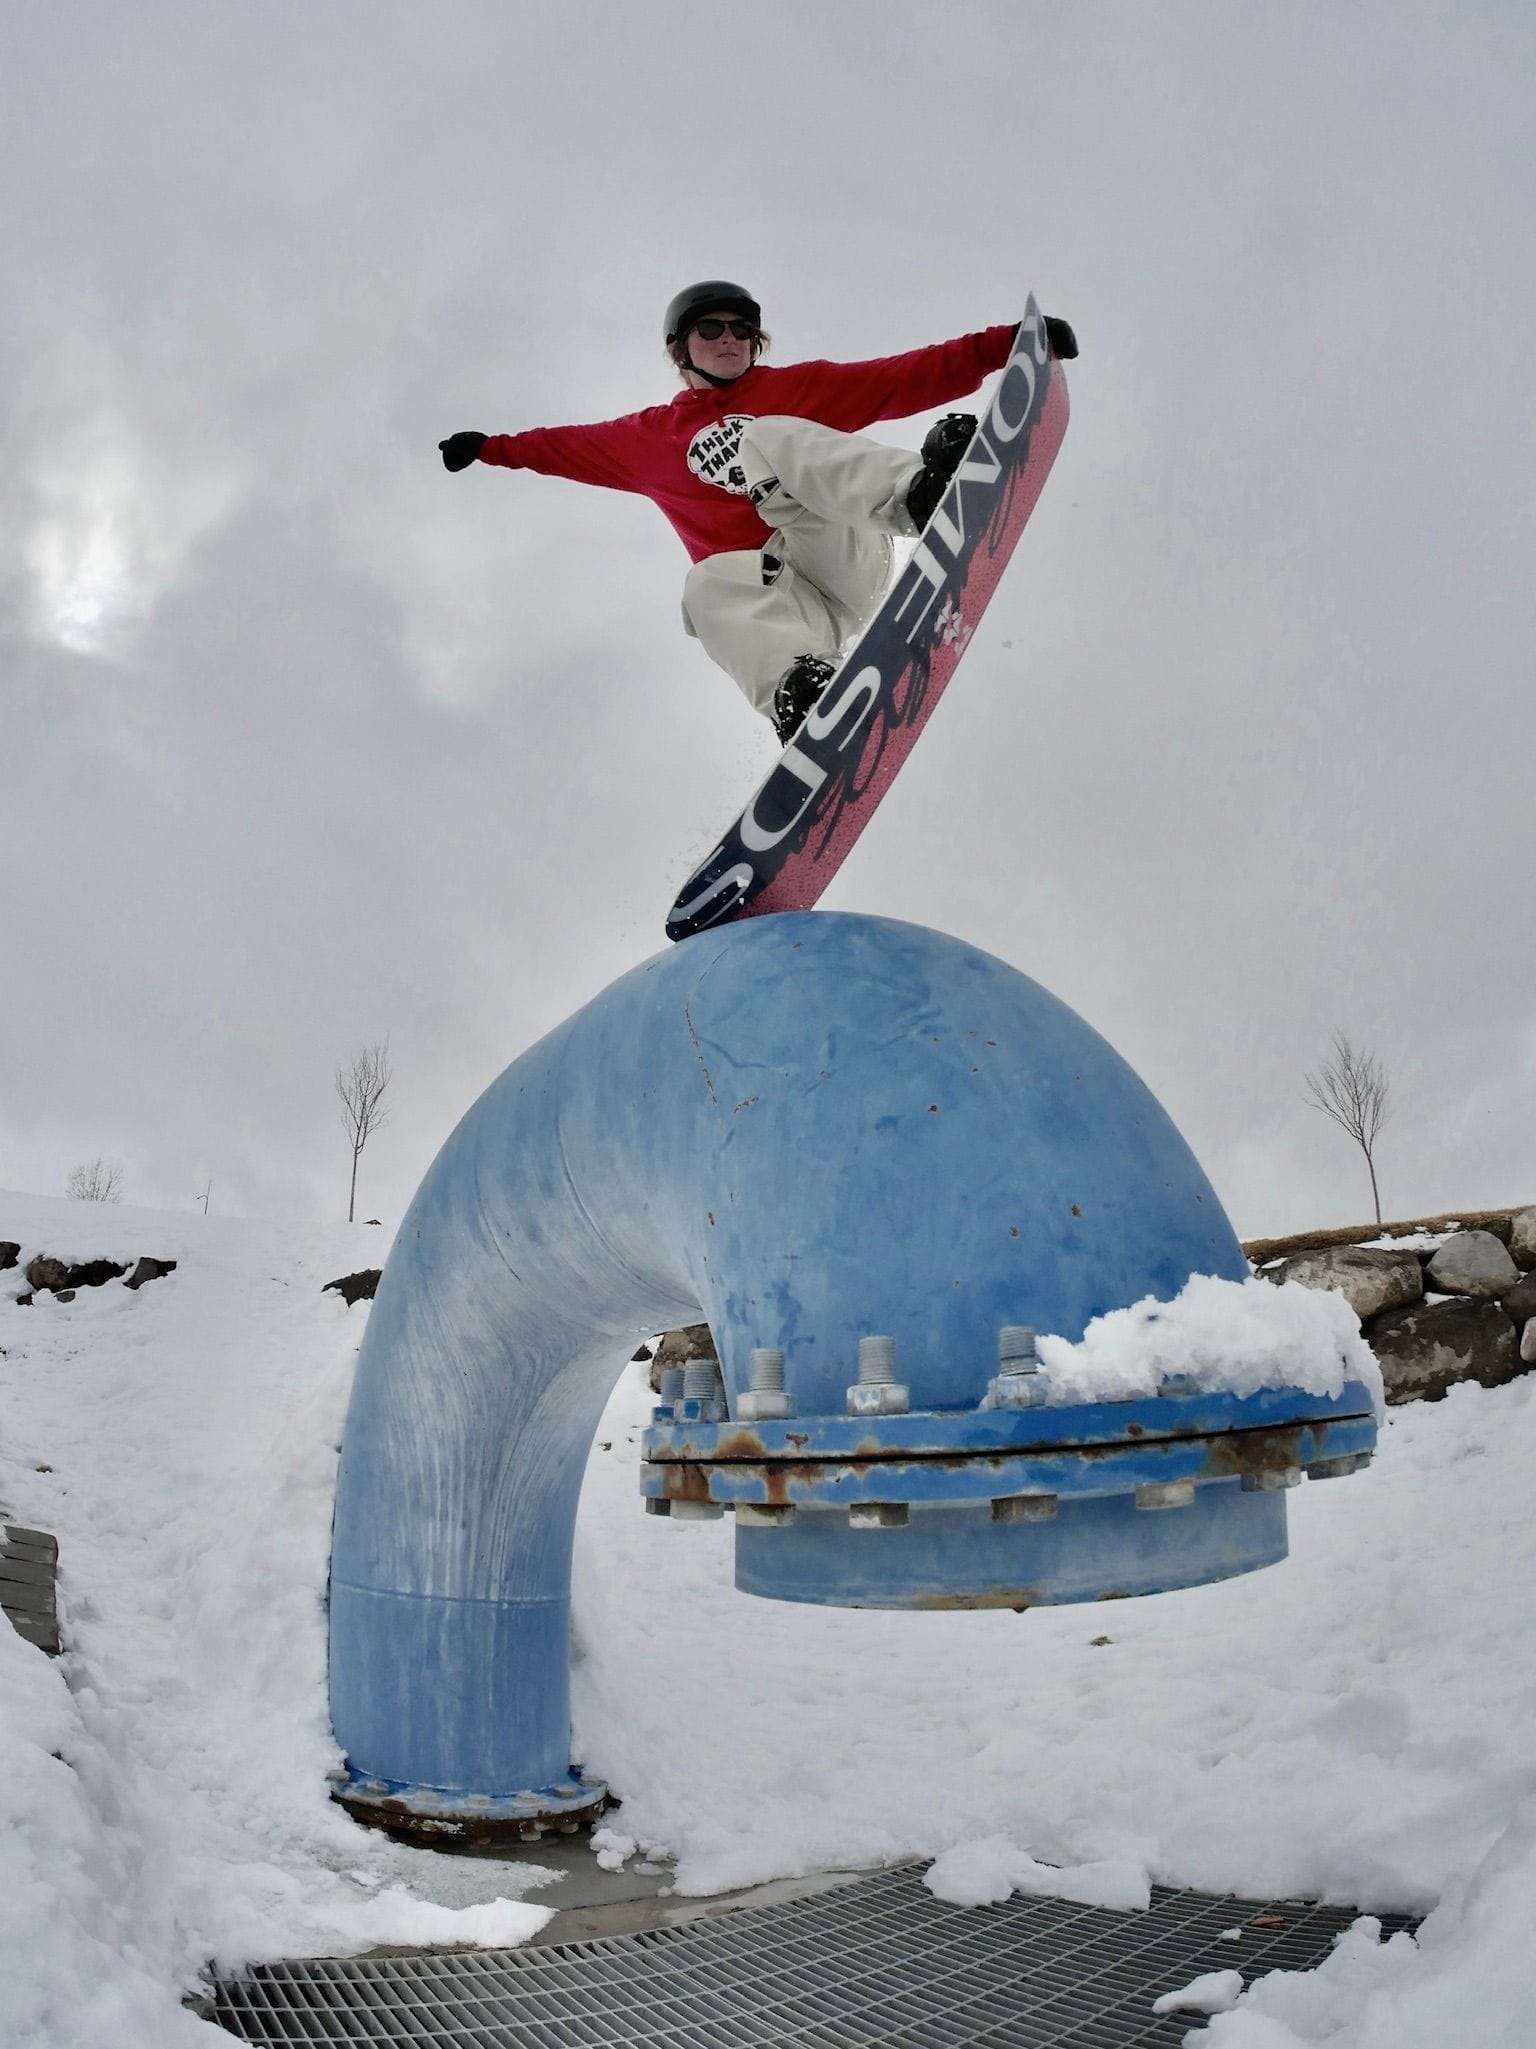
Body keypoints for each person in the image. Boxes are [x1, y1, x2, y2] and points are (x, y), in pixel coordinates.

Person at [439, 281, 1077, 744]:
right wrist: (490, 448)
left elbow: (900, 377)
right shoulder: (646, 439)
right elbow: (561, 447)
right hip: (794, 611)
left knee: (766, 437)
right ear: (680, 348)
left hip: (843, 554)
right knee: (703, 585)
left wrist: (1011, 345)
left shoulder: (792, 389)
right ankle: (804, 693)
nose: (729, 339)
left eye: (742, 330)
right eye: (711, 329)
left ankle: (919, 494)